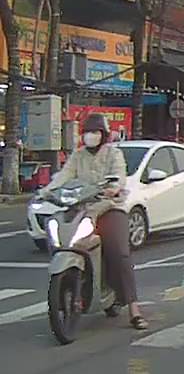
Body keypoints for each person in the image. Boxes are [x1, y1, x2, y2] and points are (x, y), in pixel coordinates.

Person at [41, 113, 147, 330]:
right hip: (81, 208)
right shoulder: (78, 155)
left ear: (103, 134)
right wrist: (47, 191)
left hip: (109, 207)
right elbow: (64, 176)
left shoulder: (113, 154)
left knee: (119, 253)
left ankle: (134, 309)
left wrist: (114, 188)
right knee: (60, 238)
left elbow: (119, 177)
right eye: (88, 132)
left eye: (96, 132)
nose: (91, 136)